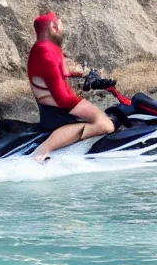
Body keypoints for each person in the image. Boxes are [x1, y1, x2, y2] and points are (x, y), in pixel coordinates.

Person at [27, 12, 115, 162]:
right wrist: (83, 103)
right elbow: (62, 98)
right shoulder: (45, 54)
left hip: (57, 107)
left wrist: (91, 77)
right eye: (61, 26)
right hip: (56, 112)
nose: (63, 30)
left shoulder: (47, 48)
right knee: (105, 125)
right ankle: (42, 151)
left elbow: (64, 71)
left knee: (106, 116)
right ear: (53, 27)